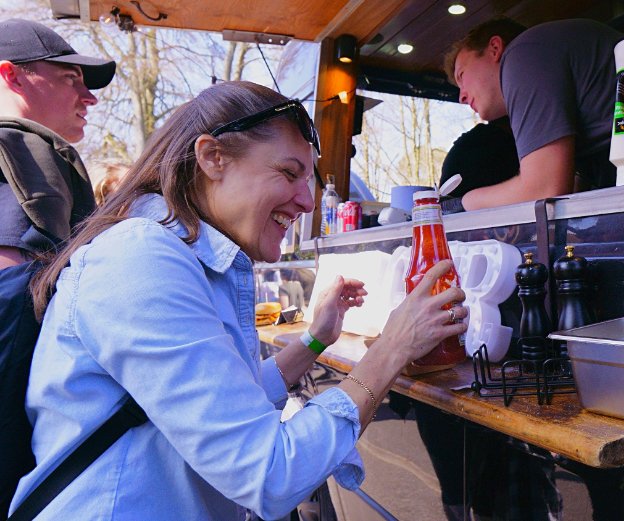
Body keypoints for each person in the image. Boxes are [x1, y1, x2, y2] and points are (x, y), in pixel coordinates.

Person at [10, 81, 469, 520]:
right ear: (212, 158)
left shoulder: (177, 256)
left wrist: (314, 341)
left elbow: (229, 402)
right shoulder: (140, 259)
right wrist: (393, 347)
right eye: (289, 173)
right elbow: (269, 473)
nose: (308, 202)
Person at [445, 18, 624, 210]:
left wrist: (463, 204)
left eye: (462, 76)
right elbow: (569, 186)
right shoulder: (545, 62)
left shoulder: (522, 54)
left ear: (494, 48)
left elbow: (543, 188)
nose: (462, 95)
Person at [0, 18, 114, 270]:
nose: (90, 98)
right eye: (71, 78)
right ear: (12, 76)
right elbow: (8, 290)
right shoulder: (18, 150)